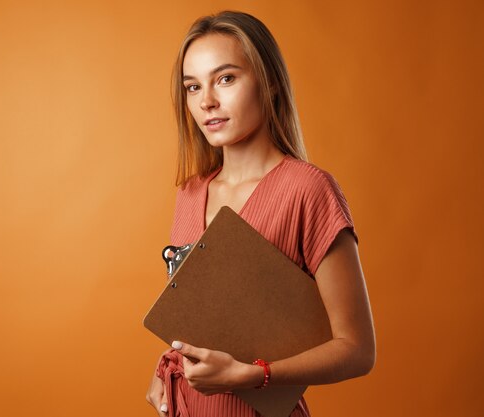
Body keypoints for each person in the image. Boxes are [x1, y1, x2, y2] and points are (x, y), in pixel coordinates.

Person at [146, 10, 376, 417]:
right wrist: (168, 367)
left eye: (226, 78)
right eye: (193, 86)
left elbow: (357, 350)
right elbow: (204, 319)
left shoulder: (309, 190)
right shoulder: (190, 192)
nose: (207, 102)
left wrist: (255, 375)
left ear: (269, 82)